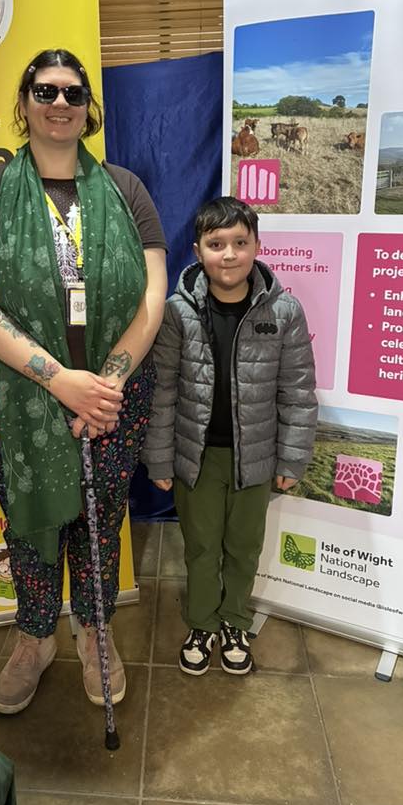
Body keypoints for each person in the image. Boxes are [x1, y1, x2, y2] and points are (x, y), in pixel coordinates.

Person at [0, 49, 167, 713]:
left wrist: (102, 386)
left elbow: (152, 296)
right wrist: (58, 381)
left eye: (73, 93)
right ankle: (35, 637)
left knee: (100, 521)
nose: (59, 103)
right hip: (19, 395)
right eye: (44, 91)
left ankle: (94, 632)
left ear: (88, 110)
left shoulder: (127, 191)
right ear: (23, 105)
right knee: (30, 521)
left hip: (114, 397)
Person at [141, 197, 317, 676]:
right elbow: (162, 392)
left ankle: (235, 620)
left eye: (241, 242)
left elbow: (297, 390)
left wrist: (291, 461)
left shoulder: (284, 311)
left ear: (257, 246)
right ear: (198, 250)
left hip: (255, 460)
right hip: (196, 459)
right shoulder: (177, 312)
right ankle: (202, 622)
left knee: (243, 546)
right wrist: (159, 461)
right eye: (216, 244)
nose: (230, 254)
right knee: (201, 547)